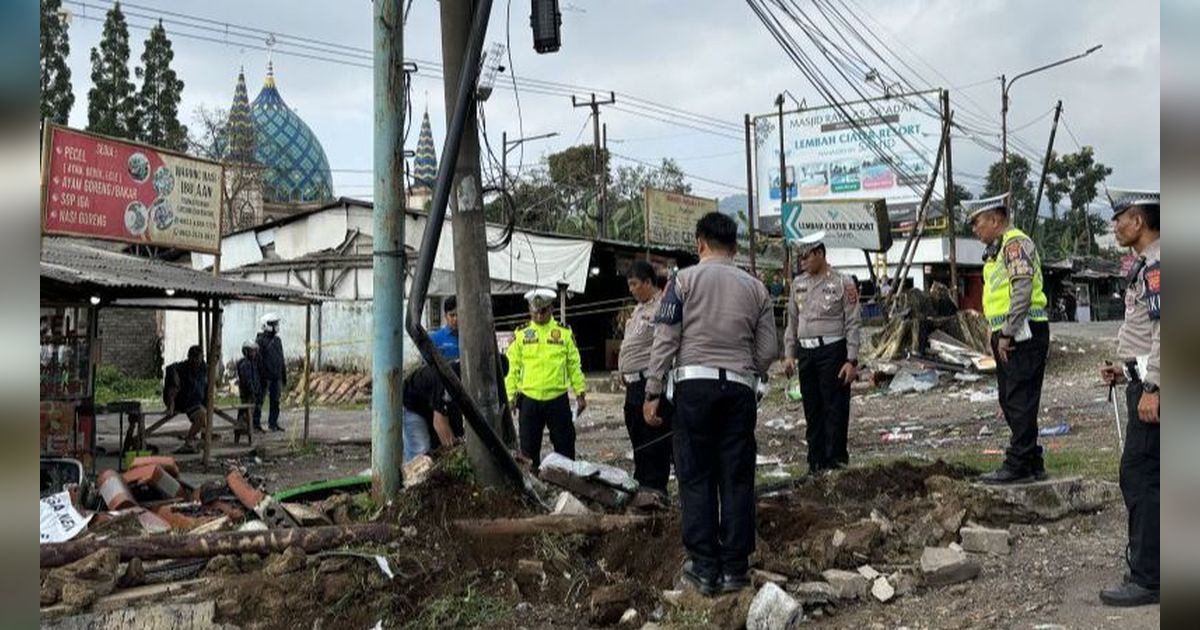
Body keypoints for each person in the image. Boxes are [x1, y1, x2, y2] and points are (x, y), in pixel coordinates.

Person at [644, 212, 778, 596]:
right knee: (736, 477)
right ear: (735, 248)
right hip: (738, 390)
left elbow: (665, 340)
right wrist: (741, 368)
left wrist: (653, 392)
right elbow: (767, 350)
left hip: (693, 391)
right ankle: (735, 569)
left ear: (699, 243)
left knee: (696, 475)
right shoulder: (757, 289)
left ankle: (703, 568)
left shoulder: (681, 281)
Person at [1098, 189, 1160, 607]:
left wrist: (1153, 386)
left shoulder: (1158, 266)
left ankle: (1150, 578)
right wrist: (1127, 370)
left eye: (1120, 218)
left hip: (1158, 389)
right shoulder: (1148, 265)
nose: (1115, 226)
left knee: (1139, 475)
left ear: (1138, 221)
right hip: (1147, 378)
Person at [967, 193, 1050, 484]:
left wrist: (1007, 332)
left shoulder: (1015, 244)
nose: (974, 229)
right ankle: (1032, 459)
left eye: (977, 222)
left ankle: (1019, 464)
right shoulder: (998, 249)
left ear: (994, 219)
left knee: (1018, 398)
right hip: (1010, 333)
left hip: (1022, 332)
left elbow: (1022, 291)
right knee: (1012, 397)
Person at [782, 231, 862, 475]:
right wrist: (789, 354)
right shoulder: (798, 284)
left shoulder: (842, 282)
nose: (802, 262)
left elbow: (853, 322)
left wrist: (851, 360)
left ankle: (835, 461)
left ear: (820, 253)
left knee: (834, 408)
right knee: (812, 409)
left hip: (832, 351)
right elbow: (792, 322)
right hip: (807, 354)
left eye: (806, 256)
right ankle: (815, 463)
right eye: (800, 257)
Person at [505, 288, 587, 465]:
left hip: (557, 399)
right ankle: (533, 485)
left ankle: (567, 486)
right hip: (529, 400)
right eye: (535, 311)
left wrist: (580, 393)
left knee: (565, 447)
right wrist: (510, 396)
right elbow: (512, 368)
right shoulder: (520, 335)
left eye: (543, 311)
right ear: (529, 310)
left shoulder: (564, 333)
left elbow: (574, 365)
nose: (539, 315)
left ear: (551, 309)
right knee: (528, 449)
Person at [618, 260, 672, 495]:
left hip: (649, 383)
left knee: (653, 441)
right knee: (638, 438)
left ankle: (655, 490)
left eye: (634, 284)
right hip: (632, 385)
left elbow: (664, 347)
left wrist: (655, 390)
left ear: (648, 282)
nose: (631, 289)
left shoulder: (663, 307)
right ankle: (643, 486)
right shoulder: (639, 309)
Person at [402, 361, 462, 463]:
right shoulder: (449, 379)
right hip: (414, 405)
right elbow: (440, 423)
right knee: (422, 455)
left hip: (433, 405)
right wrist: (456, 459)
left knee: (439, 452)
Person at [163, 345, 209, 454]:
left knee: (203, 417)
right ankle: (188, 441)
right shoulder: (184, 366)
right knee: (201, 416)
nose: (196, 361)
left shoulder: (204, 368)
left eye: (198, 358)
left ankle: (191, 439)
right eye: (194, 358)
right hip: (184, 399)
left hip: (197, 400)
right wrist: (175, 377)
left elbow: (207, 385)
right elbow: (170, 368)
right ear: (190, 358)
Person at [255, 313, 286, 432]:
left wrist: (283, 375)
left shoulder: (277, 340)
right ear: (266, 325)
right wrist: (261, 375)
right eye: (273, 324)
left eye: (276, 323)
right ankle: (256, 424)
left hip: (276, 376)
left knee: (276, 401)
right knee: (259, 401)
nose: (276, 326)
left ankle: (273, 423)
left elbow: (281, 358)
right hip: (265, 377)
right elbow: (258, 360)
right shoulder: (260, 340)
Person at [236, 341, 263, 434]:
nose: (254, 353)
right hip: (247, 393)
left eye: (255, 351)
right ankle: (241, 428)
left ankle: (249, 428)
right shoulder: (244, 364)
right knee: (246, 412)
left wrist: (258, 389)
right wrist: (252, 391)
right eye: (252, 351)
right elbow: (247, 380)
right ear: (246, 351)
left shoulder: (253, 363)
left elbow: (256, 377)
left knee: (253, 411)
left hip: (254, 391)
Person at [429, 295, 461, 360]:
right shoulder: (435, 339)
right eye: (452, 315)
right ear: (445, 316)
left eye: (459, 315)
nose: (456, 319)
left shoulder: (469, 338)